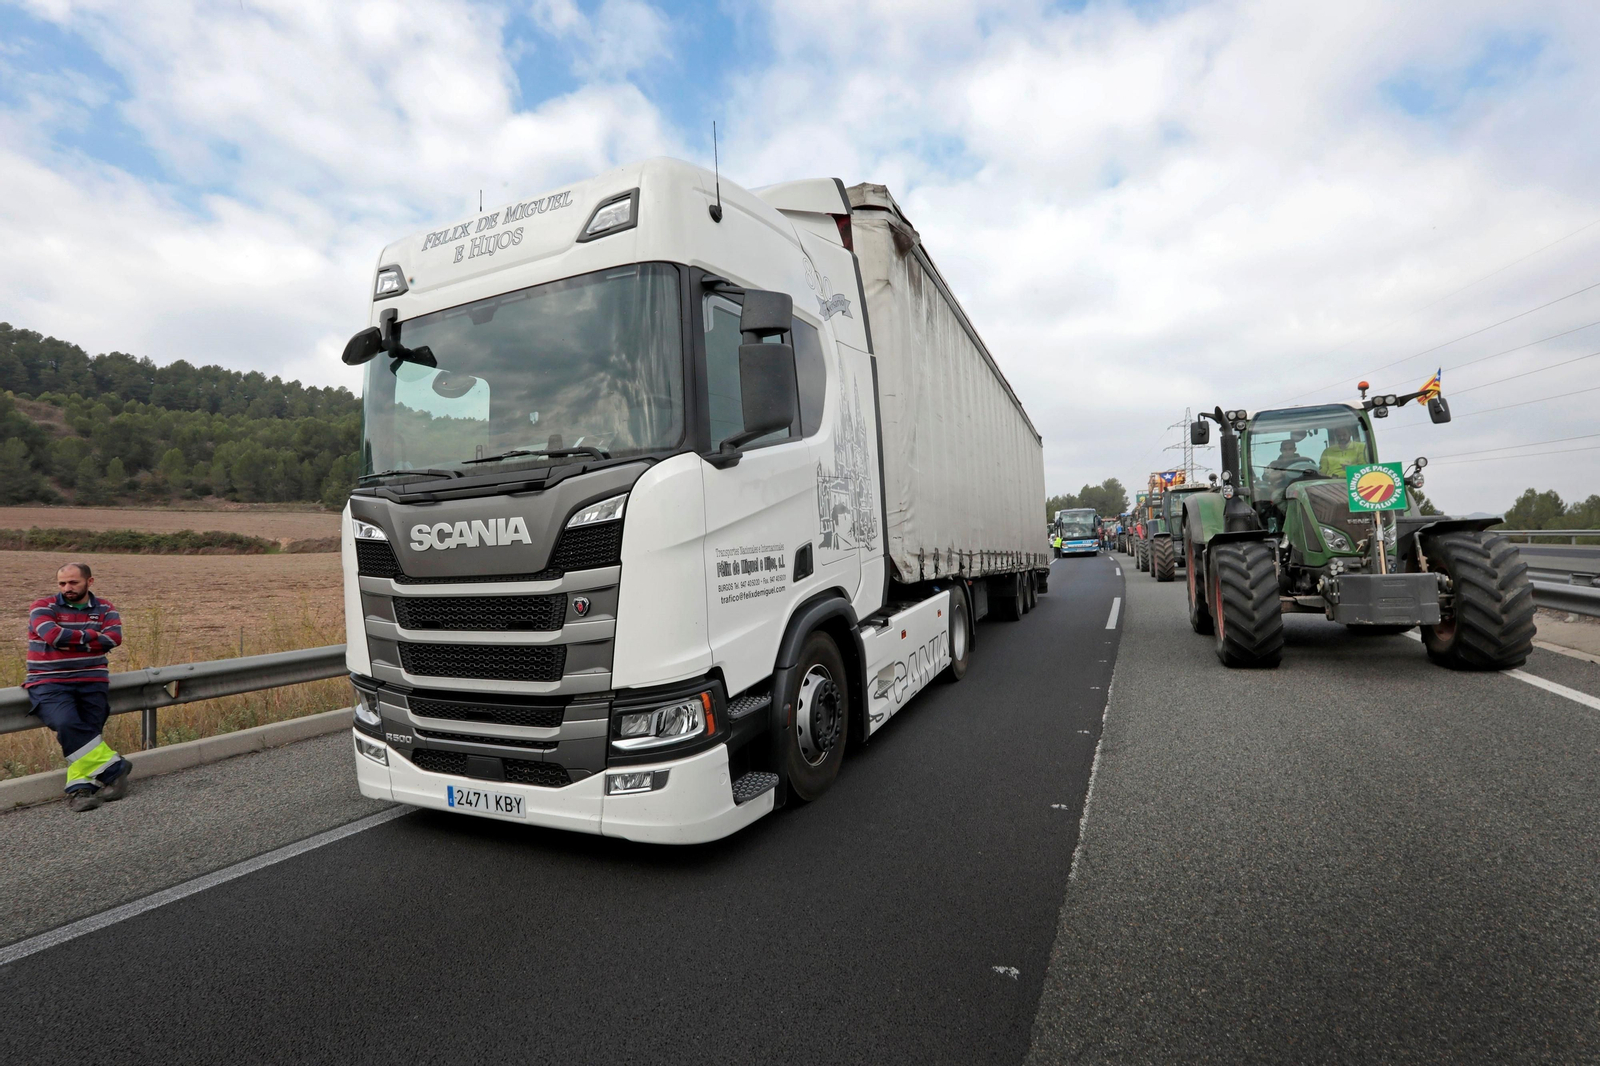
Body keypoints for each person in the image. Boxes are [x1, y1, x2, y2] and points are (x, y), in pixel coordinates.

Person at [26, 562, 130, 812]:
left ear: (89, 582)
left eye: (73, 582)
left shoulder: (105, 608)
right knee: (66, 723)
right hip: (49, 681)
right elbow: (54, 636)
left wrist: (72, 640)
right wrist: (93, 636)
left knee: (87, 734)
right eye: (62, 583)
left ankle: (80, 791)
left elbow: (114, 638)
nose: (67, 588)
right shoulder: (43, 606)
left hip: (93, 680)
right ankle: (114, 768)